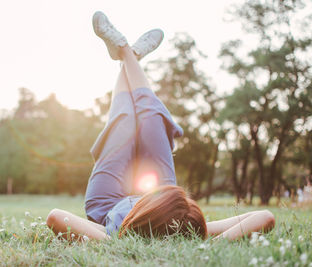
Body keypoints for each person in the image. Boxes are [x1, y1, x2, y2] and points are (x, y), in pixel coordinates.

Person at [46, 11, 275, 241]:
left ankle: (126, 53)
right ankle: (130, 54)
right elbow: (264, 217)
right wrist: (212, 244)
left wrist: (111, 242)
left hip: (108, 203)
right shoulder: (184, 226)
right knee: (152, 116)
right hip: (162, 195)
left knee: (124, 121)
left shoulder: (119, 232)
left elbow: (56, 217)